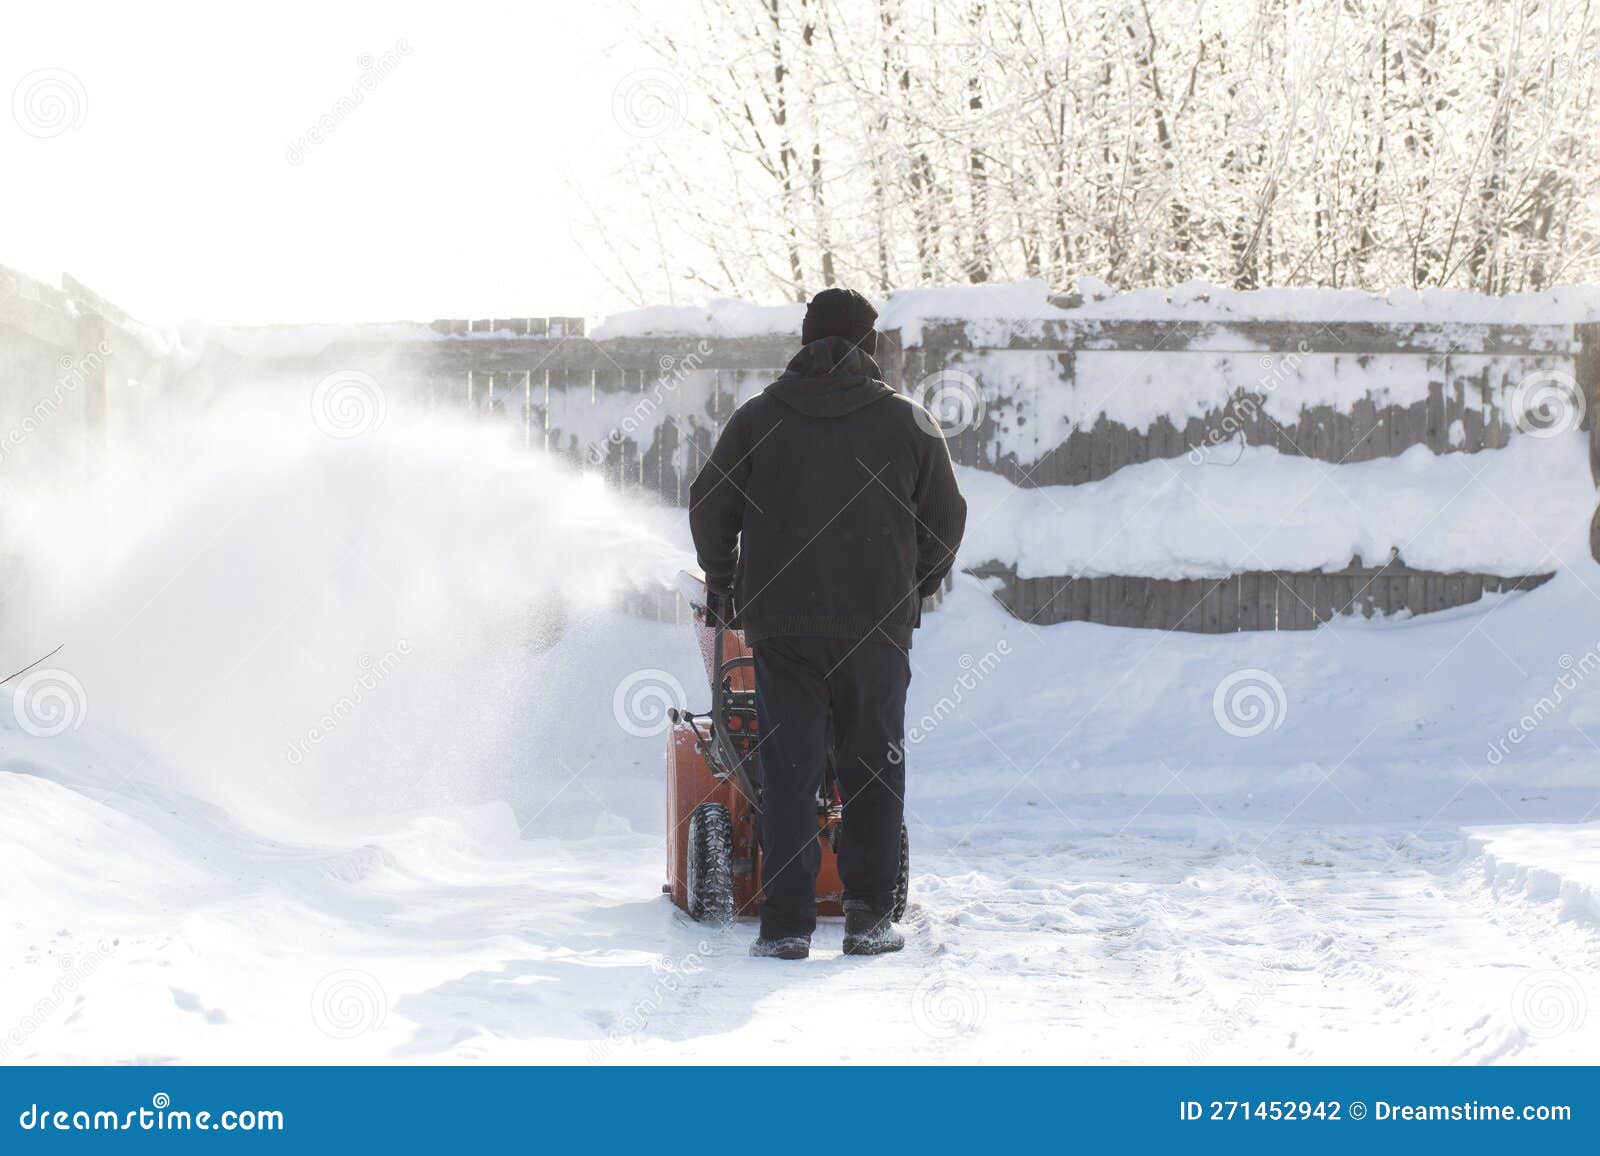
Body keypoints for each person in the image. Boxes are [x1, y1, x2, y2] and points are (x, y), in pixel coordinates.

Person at [688, 288, 967, 960]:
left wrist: (724, 582)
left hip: (785, 627)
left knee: (788, 769)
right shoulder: (910, 422)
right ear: (869, 346)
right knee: (873, 767)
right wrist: (915, 584)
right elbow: (947, 518)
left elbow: (709, 505)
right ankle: (870, 920)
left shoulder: (759, 419)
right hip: (876, 625)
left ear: (805, 341)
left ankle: (786, 928)